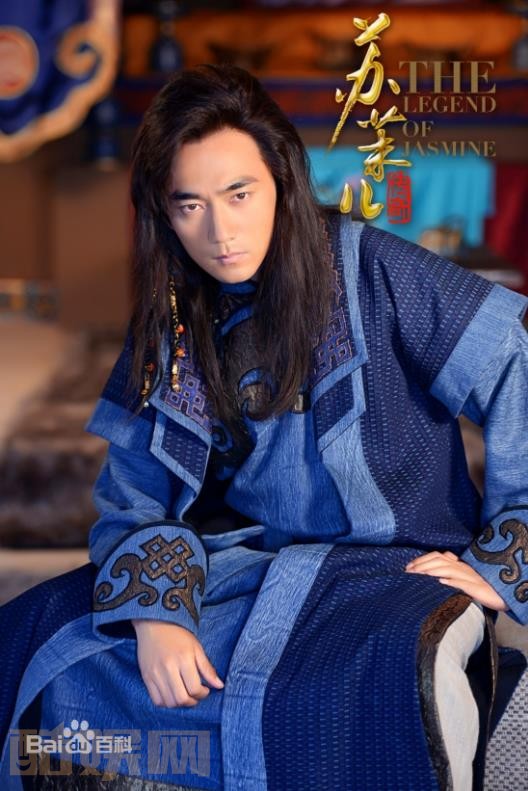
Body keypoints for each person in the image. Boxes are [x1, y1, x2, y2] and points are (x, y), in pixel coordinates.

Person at [1, 63, 527, 791]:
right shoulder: (175, 318)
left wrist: (505, 558)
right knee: (42, 636)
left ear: (281, 179)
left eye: (239, 194)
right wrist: (157, 612)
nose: (219, 231)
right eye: (189, 205)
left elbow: (513, 358)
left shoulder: (376, 269)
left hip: (393, 568)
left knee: (364, 687)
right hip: (244, 566)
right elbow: (136, 490)